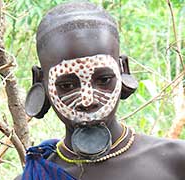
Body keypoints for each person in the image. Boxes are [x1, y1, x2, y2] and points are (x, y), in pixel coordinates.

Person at [16, 1, 185, 180]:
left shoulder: (176, 161)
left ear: (123, 70)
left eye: (103, 80)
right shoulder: (35, 176)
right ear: (41, 83)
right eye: (67, 86)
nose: (87, 101)